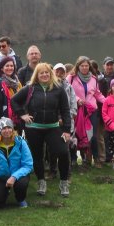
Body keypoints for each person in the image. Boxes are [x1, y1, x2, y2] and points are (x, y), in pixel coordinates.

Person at [11, 63, 72, 197]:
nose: (44, 75)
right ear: (36, 75)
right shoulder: (30, 88)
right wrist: (22, 115)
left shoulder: (58, 89)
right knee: (37, 156)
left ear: (51, 74)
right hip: (33, 129)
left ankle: (63, 182)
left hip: (53, 127)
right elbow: (14, 100)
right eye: (41, 73)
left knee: (62, 152)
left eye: (47, 73)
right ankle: (41, 181)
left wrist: (67, 130)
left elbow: (65, 110)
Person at [70, 56, 105, 167]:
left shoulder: (94, 79)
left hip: (91, 110)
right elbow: (67, 92)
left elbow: (97, 94)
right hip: (78, 110)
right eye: (82, 66)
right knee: (78, 135)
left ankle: (96, 159)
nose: (84, 68)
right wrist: (77, 99)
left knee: (93, 136)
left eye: (86, 66)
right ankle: (79, 160)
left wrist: (107, 101)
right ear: (78, 66)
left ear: (89, 67)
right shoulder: (71, 78)